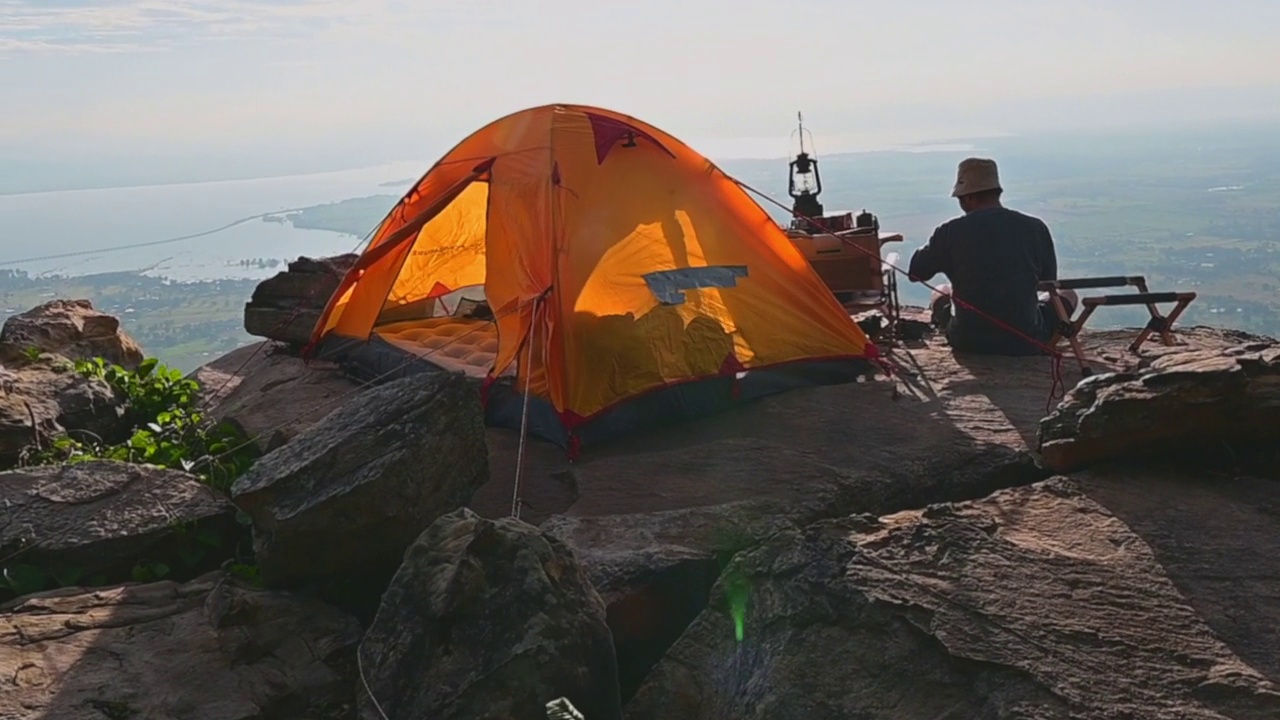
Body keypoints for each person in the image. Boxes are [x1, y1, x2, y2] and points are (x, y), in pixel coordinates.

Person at [907, 157, 1077, 355]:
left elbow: (915, 273)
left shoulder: (948, 231)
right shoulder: (1035, 227)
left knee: (941, 290)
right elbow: (1048, 283)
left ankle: (949, 325)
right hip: (1026, 339)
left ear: (967, 197)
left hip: (967, 341)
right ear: (997, 192)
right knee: (1068, 294)